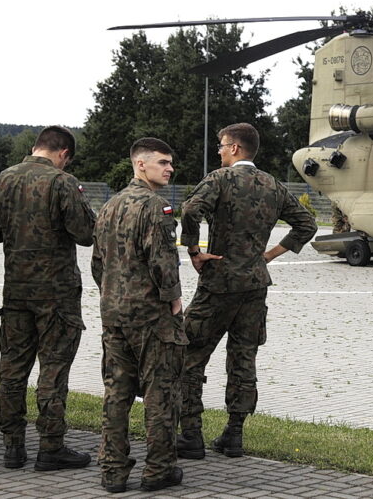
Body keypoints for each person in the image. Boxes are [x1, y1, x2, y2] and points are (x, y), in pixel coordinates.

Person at [177, 123, 317, 459]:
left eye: (222, 145)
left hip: (219, 284)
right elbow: (307, 224)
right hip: (255, 286)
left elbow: (189, 210)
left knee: (188, 354)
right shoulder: (272, 185)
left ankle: (191, 434)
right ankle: (234, 435)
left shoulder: (220, 179)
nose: (220, 151)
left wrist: (194, 251)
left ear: (236, 148)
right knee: (243, 360)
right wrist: (267, 255)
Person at [0, 125, 96, 471]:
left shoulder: (1, 180)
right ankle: (50, 446)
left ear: (36, 147)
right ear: (64, 154)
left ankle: (12, 446)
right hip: (57, 294)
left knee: (12, 369)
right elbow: (85, 234)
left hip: (15, 290)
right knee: (53, 369)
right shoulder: (62, 182)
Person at [91, 138, 186, 492]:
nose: (170, 168)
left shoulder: (108, 206)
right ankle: (158, 469)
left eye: (170, 163)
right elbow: (163, 260)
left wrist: (113, 296)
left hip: (114, 314)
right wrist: (173, 299)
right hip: (151, 317)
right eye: (163, 162)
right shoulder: (155, 207)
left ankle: (112, 471)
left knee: (116, 393)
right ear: (140, 165)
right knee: (161, 392)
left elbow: (98, 263)